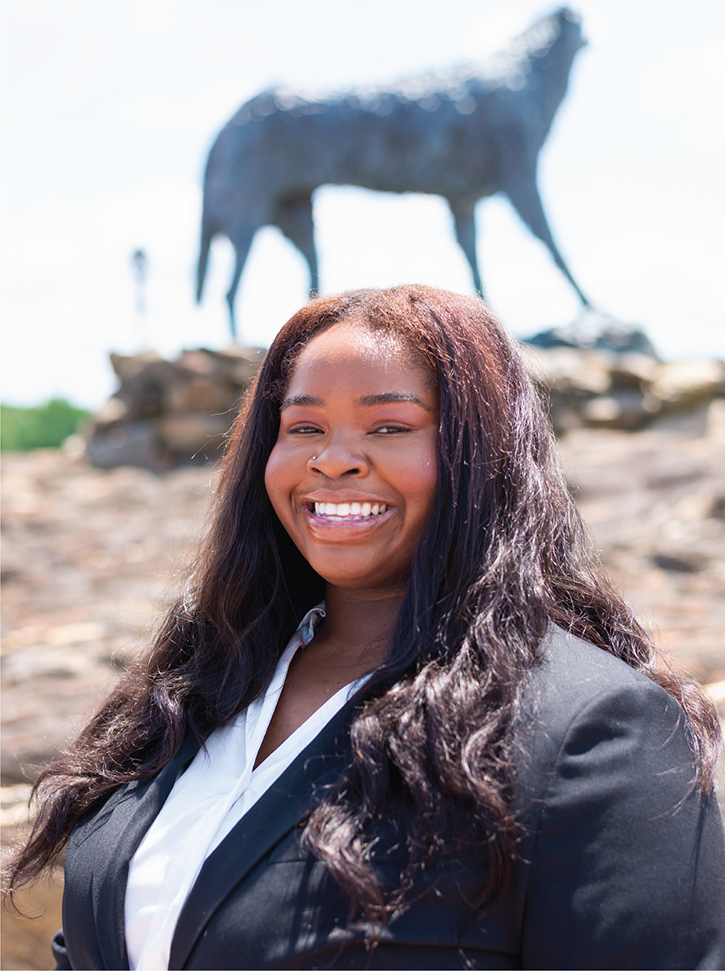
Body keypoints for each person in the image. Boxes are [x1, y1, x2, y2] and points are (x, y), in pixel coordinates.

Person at [5, 286, 725, 970]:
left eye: (389, 426)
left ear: (483, 459)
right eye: (304, 427)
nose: (334, 457)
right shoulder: (196, 690)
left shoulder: (588, 729)